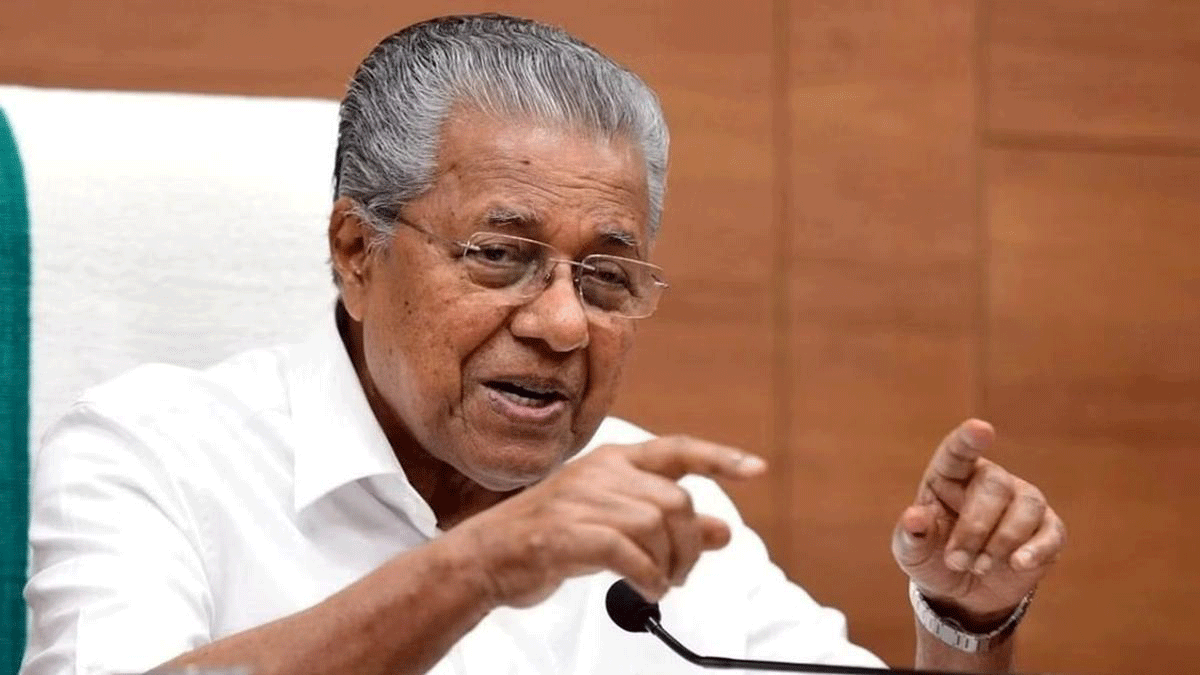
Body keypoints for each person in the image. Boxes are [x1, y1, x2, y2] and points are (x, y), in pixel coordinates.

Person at [21, 14, 1065, 675]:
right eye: (499, 256)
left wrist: (962, 623)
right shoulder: (151, 451)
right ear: (355, 251)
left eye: (607, 277)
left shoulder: (662, 502)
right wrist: (482, 564)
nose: (564, 324)